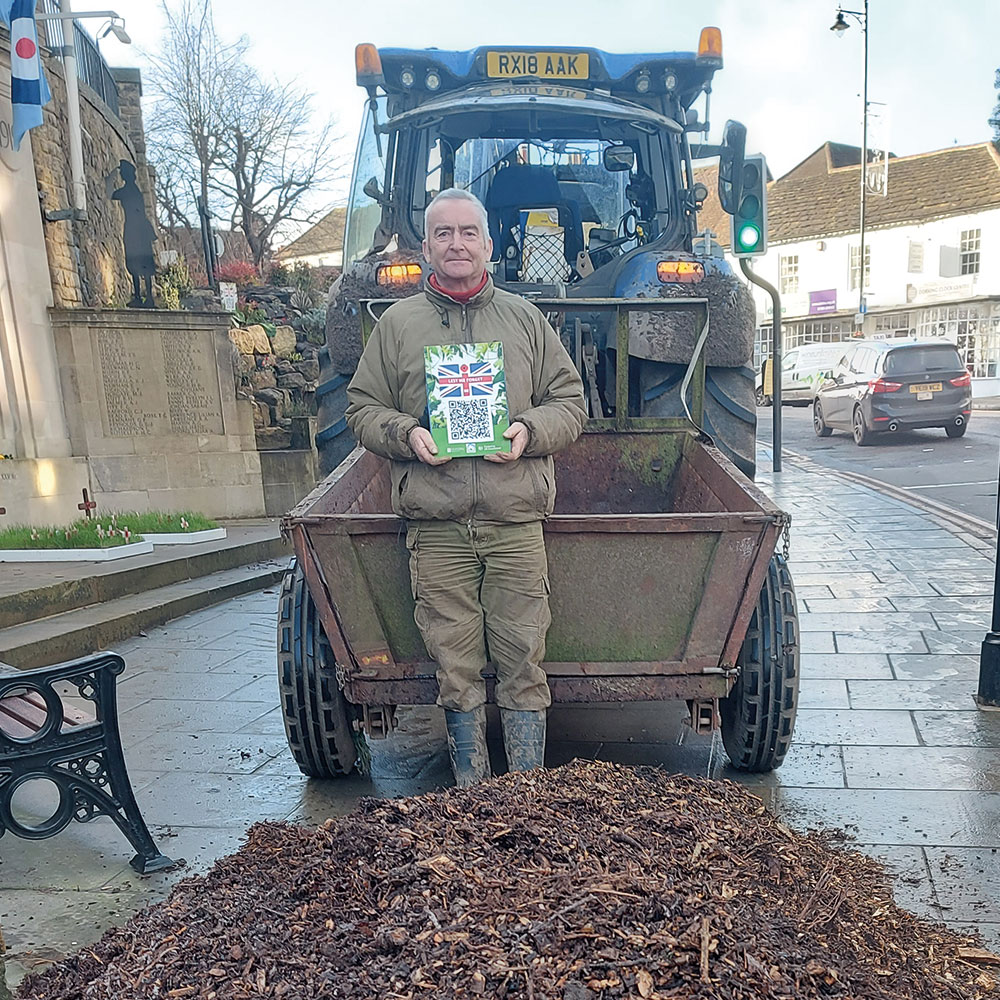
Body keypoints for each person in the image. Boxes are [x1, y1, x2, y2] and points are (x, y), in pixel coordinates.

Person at [345, 188, 587, 787]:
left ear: (488, 244)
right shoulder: (397, 325)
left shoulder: (525, 320)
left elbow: (570, 401)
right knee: (454, 665)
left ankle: (526, 796)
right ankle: (472, 796)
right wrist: (407, 434)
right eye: (444, 233)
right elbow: (361, 407)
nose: (457, 244)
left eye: (468, 232)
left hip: (514, 520)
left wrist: (528, 431)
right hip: (437, 526)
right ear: (427, 247)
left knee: (523, 657)